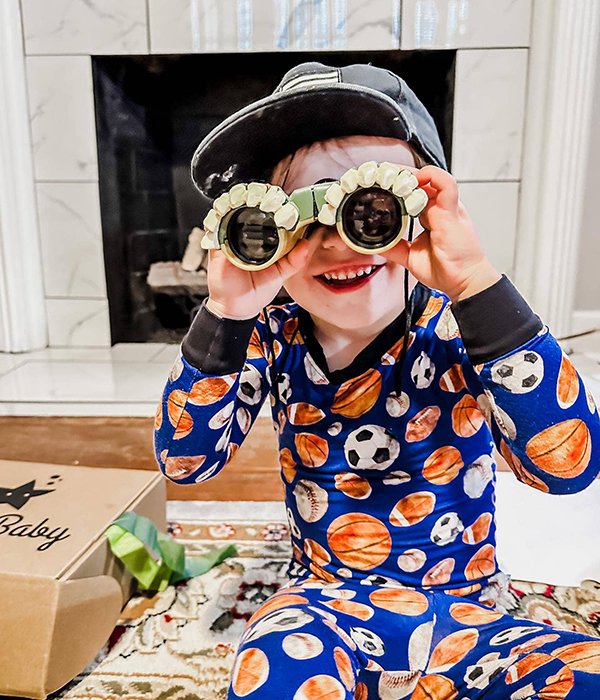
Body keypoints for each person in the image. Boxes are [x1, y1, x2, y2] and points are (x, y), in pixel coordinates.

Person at [154, 62, 600, 700]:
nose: (337, 244)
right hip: (322, 609)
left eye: (370, 210)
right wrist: (226, 314)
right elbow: (184, 461)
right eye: (301, 220)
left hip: (471, 614)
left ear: (424, 210)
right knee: (274, 668)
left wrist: (477, 285)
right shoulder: (272, 330)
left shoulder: (463, 326)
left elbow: (570, 466)